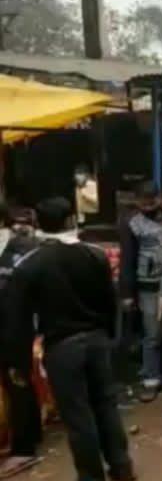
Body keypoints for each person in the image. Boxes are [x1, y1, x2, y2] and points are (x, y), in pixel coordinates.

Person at [2, 198, 135, 481]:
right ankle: (122, 467)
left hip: (62, 347)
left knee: (77, 415)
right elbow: (110, 302)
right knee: (105, 406)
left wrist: (19, 361)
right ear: (72, 220)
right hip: (98, 340)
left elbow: (19, 319)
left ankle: (91, 476)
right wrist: (111, 337)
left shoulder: (30, 265)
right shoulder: (95, 255)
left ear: (37, 223)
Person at [119, 182, 162, 403]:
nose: (147, 207)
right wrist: (127, 292)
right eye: (142, 204)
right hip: (148, 285)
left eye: (151, 202)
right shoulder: (132, 223)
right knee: (152, 333)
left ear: (160, 198)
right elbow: (128, 258)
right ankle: (150, 378)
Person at [0, 200, 43, 478]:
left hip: (12, 330)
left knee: (17, 383)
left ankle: (24, 448)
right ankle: (32, 433)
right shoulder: (19, 245)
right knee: (16, 383)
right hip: (13, 328)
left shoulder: (20, 248)